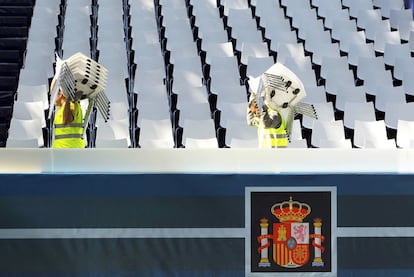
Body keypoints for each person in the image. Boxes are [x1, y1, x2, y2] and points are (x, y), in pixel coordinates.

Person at [50, 76, 86, 148]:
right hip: (63, 151)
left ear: (60, 94)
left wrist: (68, 100)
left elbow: (67, 120)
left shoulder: (71, 105)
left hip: (69, 151)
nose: (52, 99)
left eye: (53, 95)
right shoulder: (63, 108)